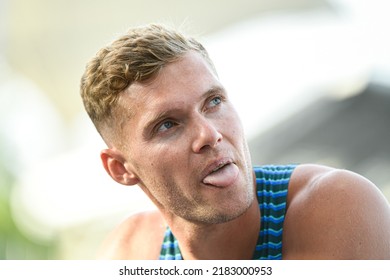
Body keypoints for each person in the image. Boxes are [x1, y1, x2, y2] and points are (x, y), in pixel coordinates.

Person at [80, 23, 390, 260]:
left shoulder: (338, 206)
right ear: (120, 168)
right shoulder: (130, 252)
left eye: (213, 102)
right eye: (167, 125)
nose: (209, 135)